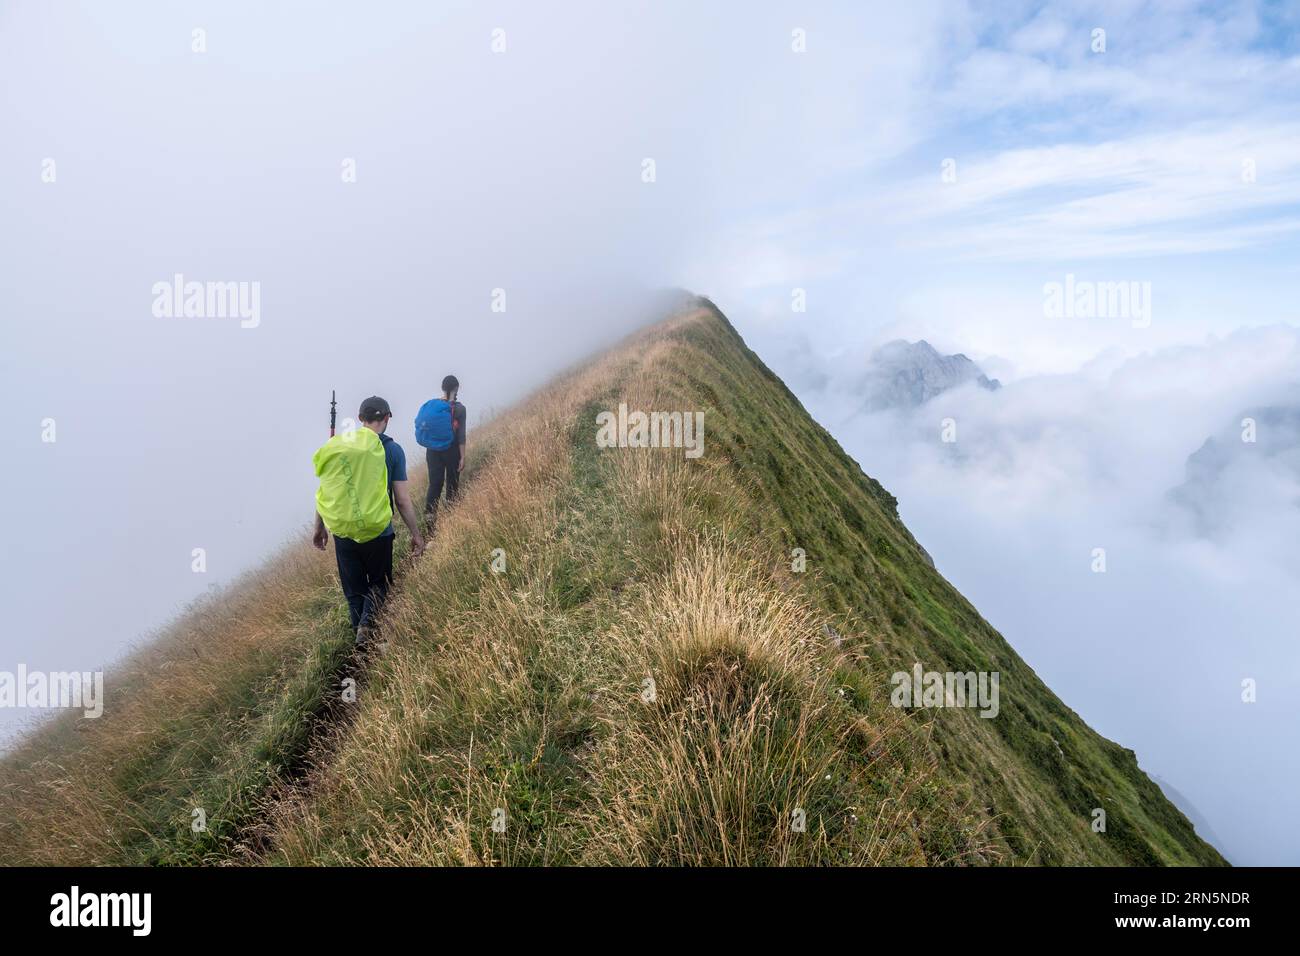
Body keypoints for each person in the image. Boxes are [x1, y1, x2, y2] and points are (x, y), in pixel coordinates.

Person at [312, 396, 425, 642]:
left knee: (354, 592)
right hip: (378, 530)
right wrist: (416, 534)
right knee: (380, 584)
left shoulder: (338, 447)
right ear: (386, 419)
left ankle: (361, 640)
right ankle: (368, 627)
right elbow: (403, 500)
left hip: (343, 531)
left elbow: (326, 490)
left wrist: (319, 527)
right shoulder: (392, 450)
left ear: (361, 418)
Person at [415, 374, 467, 529]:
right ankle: (452, 519)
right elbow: (461, 435)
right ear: (456, 388)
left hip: (432, 452)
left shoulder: (433, 406)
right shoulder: (459, 409)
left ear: (443, 388)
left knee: (435, 485)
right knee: (452, 482)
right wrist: (462, 456)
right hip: (451, 450)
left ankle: (430, 522)